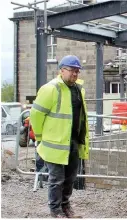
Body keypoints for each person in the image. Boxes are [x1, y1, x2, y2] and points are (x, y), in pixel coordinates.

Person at [30, 55, 89, 218]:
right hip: (54, 144)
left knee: (70, 178)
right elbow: (36, 115)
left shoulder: (78, 89)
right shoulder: (51, 89)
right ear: (61, 70)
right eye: (71, 70)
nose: (75, 74)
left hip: (73, 142)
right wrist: (41, 138)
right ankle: (55, 210)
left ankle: (65, 206)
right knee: (57, 179)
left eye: (77, 71)